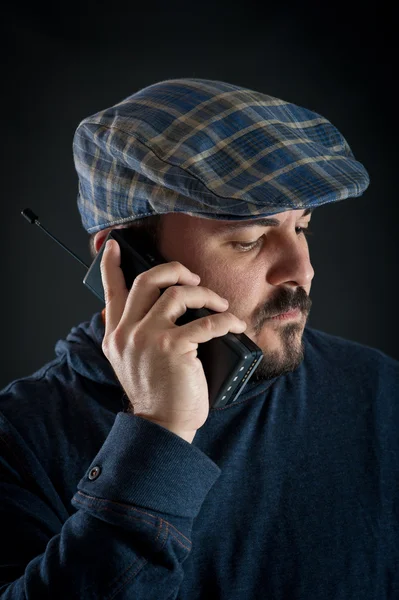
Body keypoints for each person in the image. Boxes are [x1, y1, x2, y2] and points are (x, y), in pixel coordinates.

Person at [0, 78, 398, 599]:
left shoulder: (379, 394)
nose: (301, 271)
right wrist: (156, 436)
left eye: (301, 228)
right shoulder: (19, 441)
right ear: (122, 263)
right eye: (248, 239)